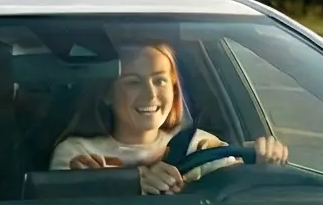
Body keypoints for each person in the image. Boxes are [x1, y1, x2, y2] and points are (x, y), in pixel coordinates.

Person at [49, 42, 286, 194]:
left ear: (174, 88)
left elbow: (235, 191)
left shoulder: (198, 145)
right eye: (133, 82)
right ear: (107, 94)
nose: (150, 94)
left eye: (160, 80)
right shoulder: (78, 154)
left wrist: (265, 167)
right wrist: (124, 186)